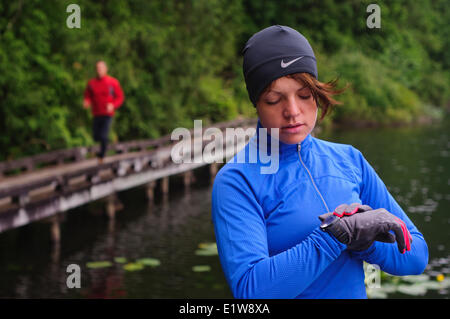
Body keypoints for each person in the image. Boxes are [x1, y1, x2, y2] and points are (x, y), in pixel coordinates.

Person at [211, 25, 428, 299]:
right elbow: (251, 290)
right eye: (274, 99)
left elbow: (417, 256)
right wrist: (335, 236)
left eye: (304, 95)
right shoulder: (237, 180)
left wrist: (366, 242)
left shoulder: (349, 159)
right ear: (256, 104)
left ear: (317, 93)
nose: (292, 111)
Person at [83, 60, 124, 163]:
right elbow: (87, 95)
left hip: (107, 114)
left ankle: (102, 155)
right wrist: (87, 101)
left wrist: (113, 105)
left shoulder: (112, 82)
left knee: (103, 135)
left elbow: (120, 97)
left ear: (106, 69)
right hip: (96, 114)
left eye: (101, 68)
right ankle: (105, 146)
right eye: (97, 68)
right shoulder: (91, 83)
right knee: (96, 136)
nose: (99, 70)